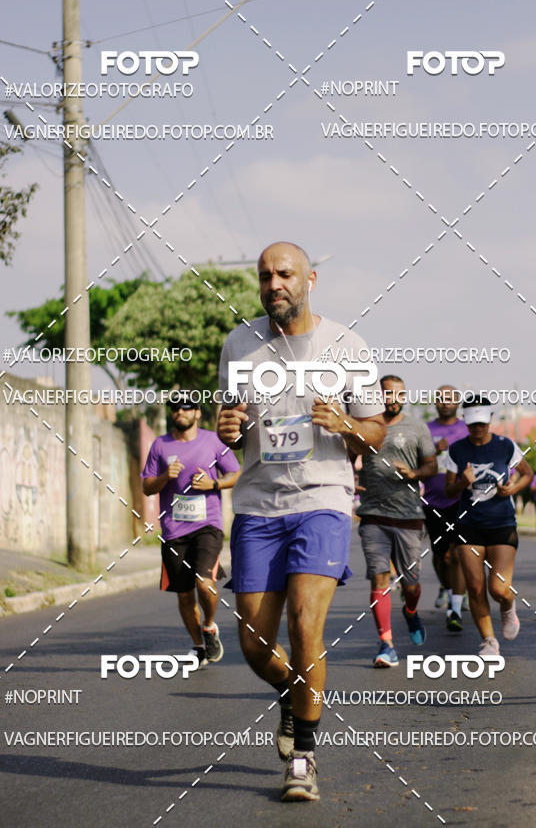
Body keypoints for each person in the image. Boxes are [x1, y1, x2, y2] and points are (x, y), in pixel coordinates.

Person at [216, 242, 385, 802]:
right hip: (259, 504)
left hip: (324, 498)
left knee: (304, 625)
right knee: (254, 644)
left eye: (284, 274)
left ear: (309, 279)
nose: (274, 284)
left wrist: (344, 424)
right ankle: (294, 693)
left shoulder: (347, 346)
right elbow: (233, 431)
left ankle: (304, 758)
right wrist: (229, 428)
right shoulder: (240, 345)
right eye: (265, 276)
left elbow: (376, 430)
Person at [142, 391, 240, 666]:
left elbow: (236, 473)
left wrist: (214, 485)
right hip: (174, 531)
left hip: (208, 525)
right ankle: (199, 646)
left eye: (186, 407)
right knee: (184, 596)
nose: (180, 411)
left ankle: (209, 626)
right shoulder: (160, 446)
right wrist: (164, 477)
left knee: (203, 582)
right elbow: (146, 487)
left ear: (197, 412)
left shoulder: (213, 440)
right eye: (175, 407)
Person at [357, 375, 437, 665]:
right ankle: (386, 643)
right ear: (378, 396)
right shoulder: (364, 426)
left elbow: (432, 465)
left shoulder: (416, 427)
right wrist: (347, 481)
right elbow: (345, 455)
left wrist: (415, 474)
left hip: (408, 515)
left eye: (399, 394)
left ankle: (411, 612)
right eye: (388, 394)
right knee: (379, 576)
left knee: (411, 584)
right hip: (373, 513)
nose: (394, 398)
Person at [445, 395, 533, 655]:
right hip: (468, 525)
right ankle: (489, 641)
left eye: (482, 423)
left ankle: (508, 606)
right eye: (472, 424)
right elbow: (449, 491)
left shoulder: (506, 446)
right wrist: (462, 482)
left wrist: (512, 488)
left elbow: (527, 474)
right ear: (465, 421)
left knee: (499, 588)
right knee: (474, 586)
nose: (478, 428)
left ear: (490, 420)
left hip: (501, 523)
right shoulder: (457, 449)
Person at [422, 385, 469, 631]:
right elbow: (416, 459)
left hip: (461, 499)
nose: (445, 402)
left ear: (458, 401)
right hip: (432, 501)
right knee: (440, 556)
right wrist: (432, 450)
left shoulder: (465, 429)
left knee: (455, 554)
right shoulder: (425, 430)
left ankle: (455, 607)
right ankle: (448, 587)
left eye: (450, 398)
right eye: (441, 398)